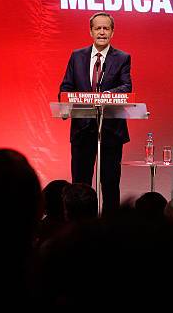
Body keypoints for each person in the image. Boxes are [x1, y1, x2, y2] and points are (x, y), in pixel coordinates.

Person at [59, 12, 132, 213]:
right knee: (80, 185)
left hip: (110, 130)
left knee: (109, 183)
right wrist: (68, 103)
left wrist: (104, 96)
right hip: (82, 129)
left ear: (112, 32)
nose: (102, 32)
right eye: (98, 28)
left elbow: (126, 86)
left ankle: (110, 229)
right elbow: (66, 87)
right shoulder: (77, 56)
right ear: (91, 31)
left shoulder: (122, 57)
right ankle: (79, 227)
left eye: (106, 28)